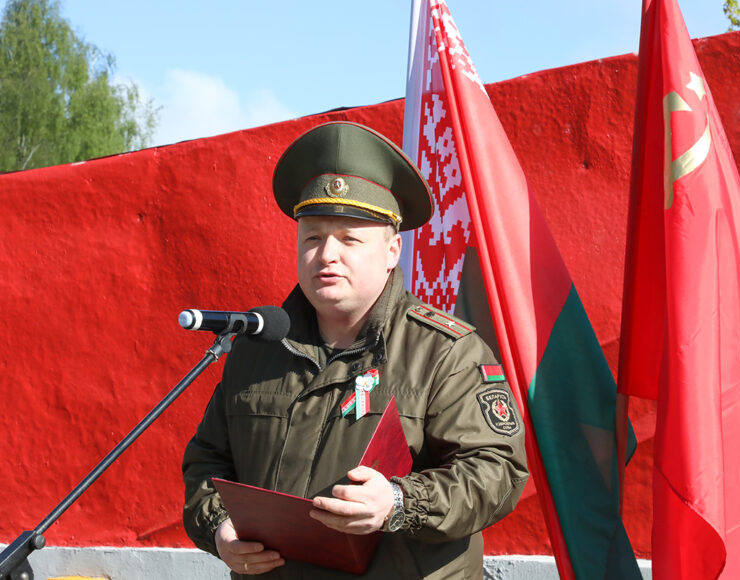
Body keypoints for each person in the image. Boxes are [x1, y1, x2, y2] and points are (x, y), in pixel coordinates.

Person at [182, 121, 528, 579]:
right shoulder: (258, 348)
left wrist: (399, 502)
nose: (327, 254)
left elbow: (497, 472)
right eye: (313, 237)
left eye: (349, 239)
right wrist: (220, 529)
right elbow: (207, 461)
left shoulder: (447, 353)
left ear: (392, 251)